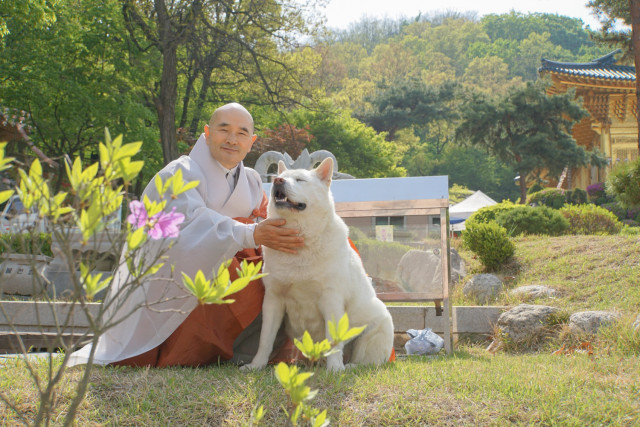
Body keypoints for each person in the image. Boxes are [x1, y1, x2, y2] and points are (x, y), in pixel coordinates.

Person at [69, 103, 303, 367]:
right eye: (223, 130)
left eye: (241, 133)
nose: (231, 139)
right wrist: (249, 234)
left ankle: (286, 349)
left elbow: (268, 219)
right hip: (181, 275)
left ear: (252, 142)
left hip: (239, 258)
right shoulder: (178, 173)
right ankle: (211, 351)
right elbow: (188, 224)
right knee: (235, 273)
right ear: (206, 132)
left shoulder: (250, 180)